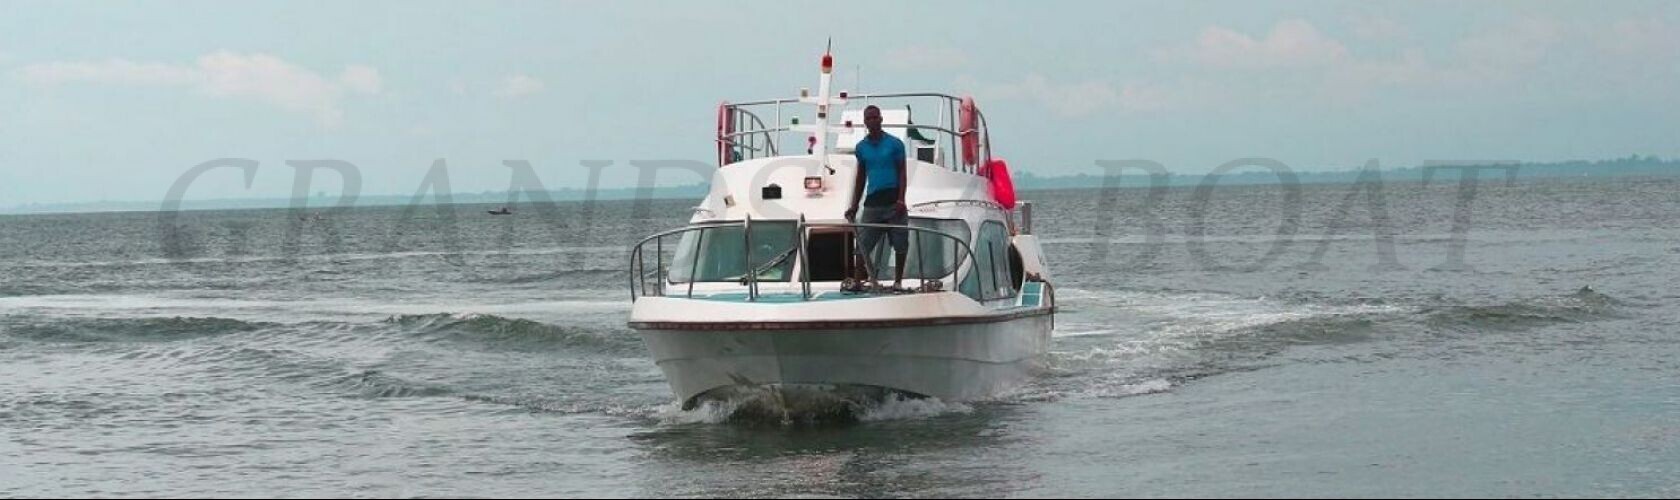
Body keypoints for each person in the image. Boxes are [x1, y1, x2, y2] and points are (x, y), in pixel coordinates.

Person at [843, 105, 910, 293]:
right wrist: (854, 205)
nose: (872, 121)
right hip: (873, 201)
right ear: (865, 122)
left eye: (875, 117)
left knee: (901, 243)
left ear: (880, 119)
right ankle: (857, 281)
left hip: (893, 199)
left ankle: (898, 281)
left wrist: (901, 199)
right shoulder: (861, 148)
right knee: (863, 244)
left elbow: (902, 172)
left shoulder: (895, 144)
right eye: (868, 118)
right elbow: (861, 177)